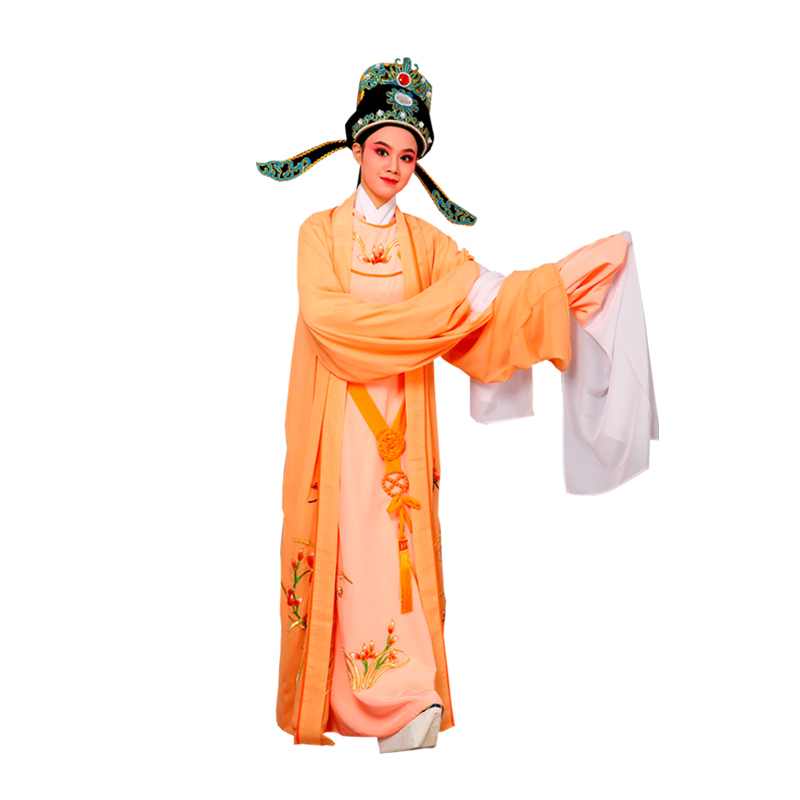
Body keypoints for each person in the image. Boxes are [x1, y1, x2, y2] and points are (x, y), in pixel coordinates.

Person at [257, 58, 657, 751]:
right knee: (346, 552)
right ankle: (344, 699)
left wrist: (564, 282)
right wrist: (440, 309)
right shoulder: (318, 233)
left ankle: (408, 698)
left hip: (401, 427)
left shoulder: (427, 244)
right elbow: (329, 322)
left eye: (407, 156)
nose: (393, 166)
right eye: (382, 150)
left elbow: (488, 303)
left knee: (398, 560)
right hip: (338, 426)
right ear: (356, 148)